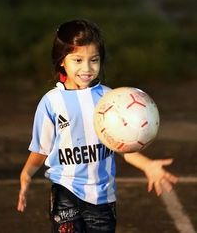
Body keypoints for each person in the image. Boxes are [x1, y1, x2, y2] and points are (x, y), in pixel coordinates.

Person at [17, 19, 178, 232]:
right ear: (62, 61)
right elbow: (41, 149)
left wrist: (147, 165)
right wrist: (27, 173)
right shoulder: (51, 102)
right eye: (78, 60)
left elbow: (123, 146)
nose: (87, 68)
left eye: (94, 60)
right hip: (66, 191)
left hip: (102, 197)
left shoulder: (111, 100)